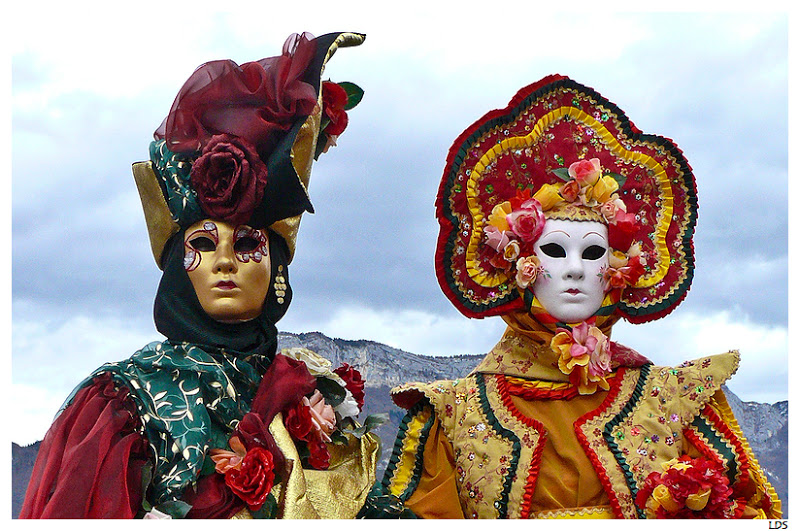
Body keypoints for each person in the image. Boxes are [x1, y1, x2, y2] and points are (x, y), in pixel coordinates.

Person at [360, 74, 781, 519]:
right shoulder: (454, 415)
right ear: (518, 265)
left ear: (618, 270)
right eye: (555, 250)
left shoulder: (674, 400)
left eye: (594, 252)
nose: (576, 269)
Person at [20, 31, 380, 519]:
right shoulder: (124, 404)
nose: (225, 261)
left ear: (277, 263)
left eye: (249, 242)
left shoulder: (312, 390)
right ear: (175, 268)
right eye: (203, 245)